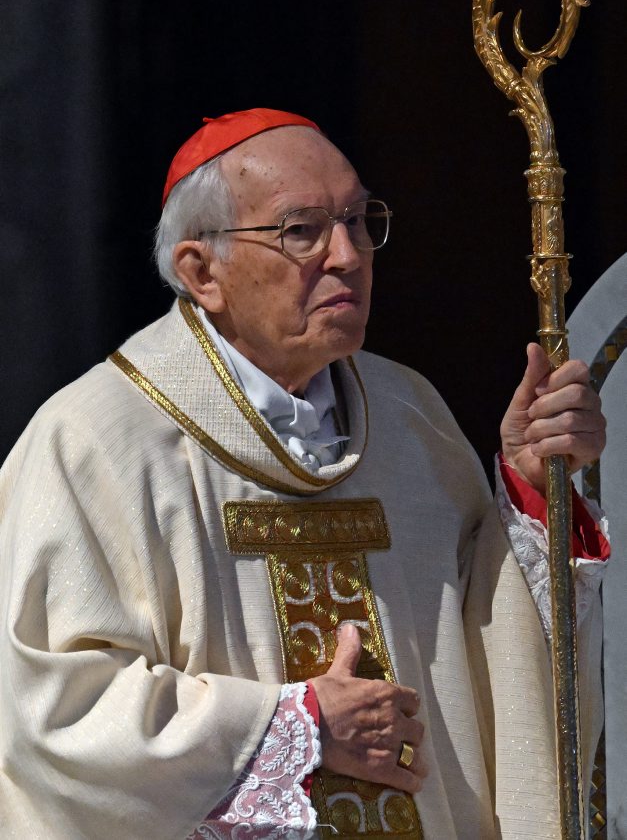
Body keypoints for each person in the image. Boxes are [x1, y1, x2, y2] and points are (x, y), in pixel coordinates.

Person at [0, 108, 609, 840]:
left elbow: (489, 668)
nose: (348, 256)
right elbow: (53, 717)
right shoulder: (96, 442)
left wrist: (531, 490)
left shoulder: (410, 416)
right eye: (301, 231)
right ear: (201, 271)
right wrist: (298, 726)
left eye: (358, 221)